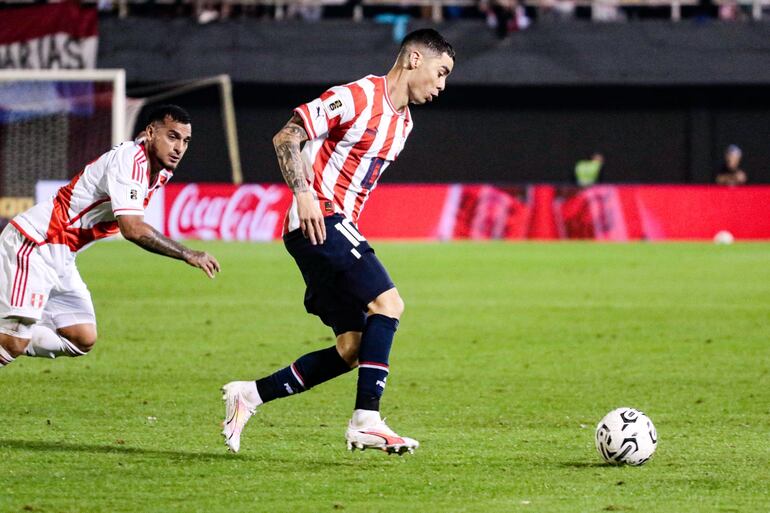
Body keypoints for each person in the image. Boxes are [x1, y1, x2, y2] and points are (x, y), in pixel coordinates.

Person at [221, 29, 455, 455]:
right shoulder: (357, 96)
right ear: (415, 59)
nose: (442, 85)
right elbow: (287, 136)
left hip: (331, 227)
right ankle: (366, 420)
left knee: (353, 349)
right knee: (389, 304)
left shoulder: (403, 125)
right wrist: (304, 194)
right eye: (441, 72)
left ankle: (249, 395)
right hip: (320, 217)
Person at [0, 105, 220, 370]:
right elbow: (132, 228)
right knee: (12, 343)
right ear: (151, 132)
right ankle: (11, 337)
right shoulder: (130, 161)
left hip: (63, 254)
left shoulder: (159, 169)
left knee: (81, 337)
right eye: (172, 136)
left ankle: (13, 332)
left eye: (185, 141)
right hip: (36, 243)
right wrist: (187, 253)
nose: (179, 148)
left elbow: (142, 140)